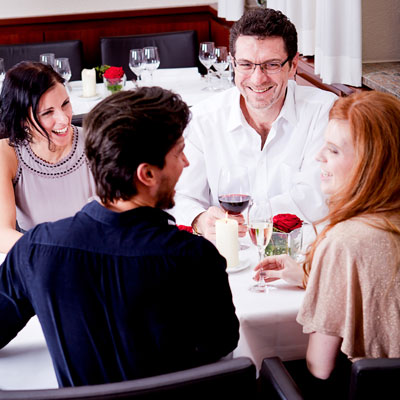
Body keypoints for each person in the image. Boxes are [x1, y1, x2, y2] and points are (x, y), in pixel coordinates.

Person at [0, 87, 239, 387]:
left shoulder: (34, 251)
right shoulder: (195, 258)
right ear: (147, 175)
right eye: (179, 152)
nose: (186, 163)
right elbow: (220, 349)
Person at [256, 90, 400, 398]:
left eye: (333, 150)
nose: (319, 155)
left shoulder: (346, 241)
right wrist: (310, 276)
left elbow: (320, 368)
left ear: (370, 163)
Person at [171, 8, 337, 241]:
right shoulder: (203, 119)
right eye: (246, 64)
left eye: (271, 65)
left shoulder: (324, 111)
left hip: (298, 256)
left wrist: (246, 217)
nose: (258, 79)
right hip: (226, 257)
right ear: (232, 64)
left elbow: (316, 198)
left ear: (293, 65)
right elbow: (182, 196)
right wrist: (199, 219)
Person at [0, 61, 96, 253]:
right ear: (22, 120)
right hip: (41, 260)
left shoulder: (96, 139)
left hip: (98, 254)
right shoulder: (6, 152)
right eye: (47, 112)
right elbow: (2, 233)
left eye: (65, 104)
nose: (64, 119)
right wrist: (56, 253)